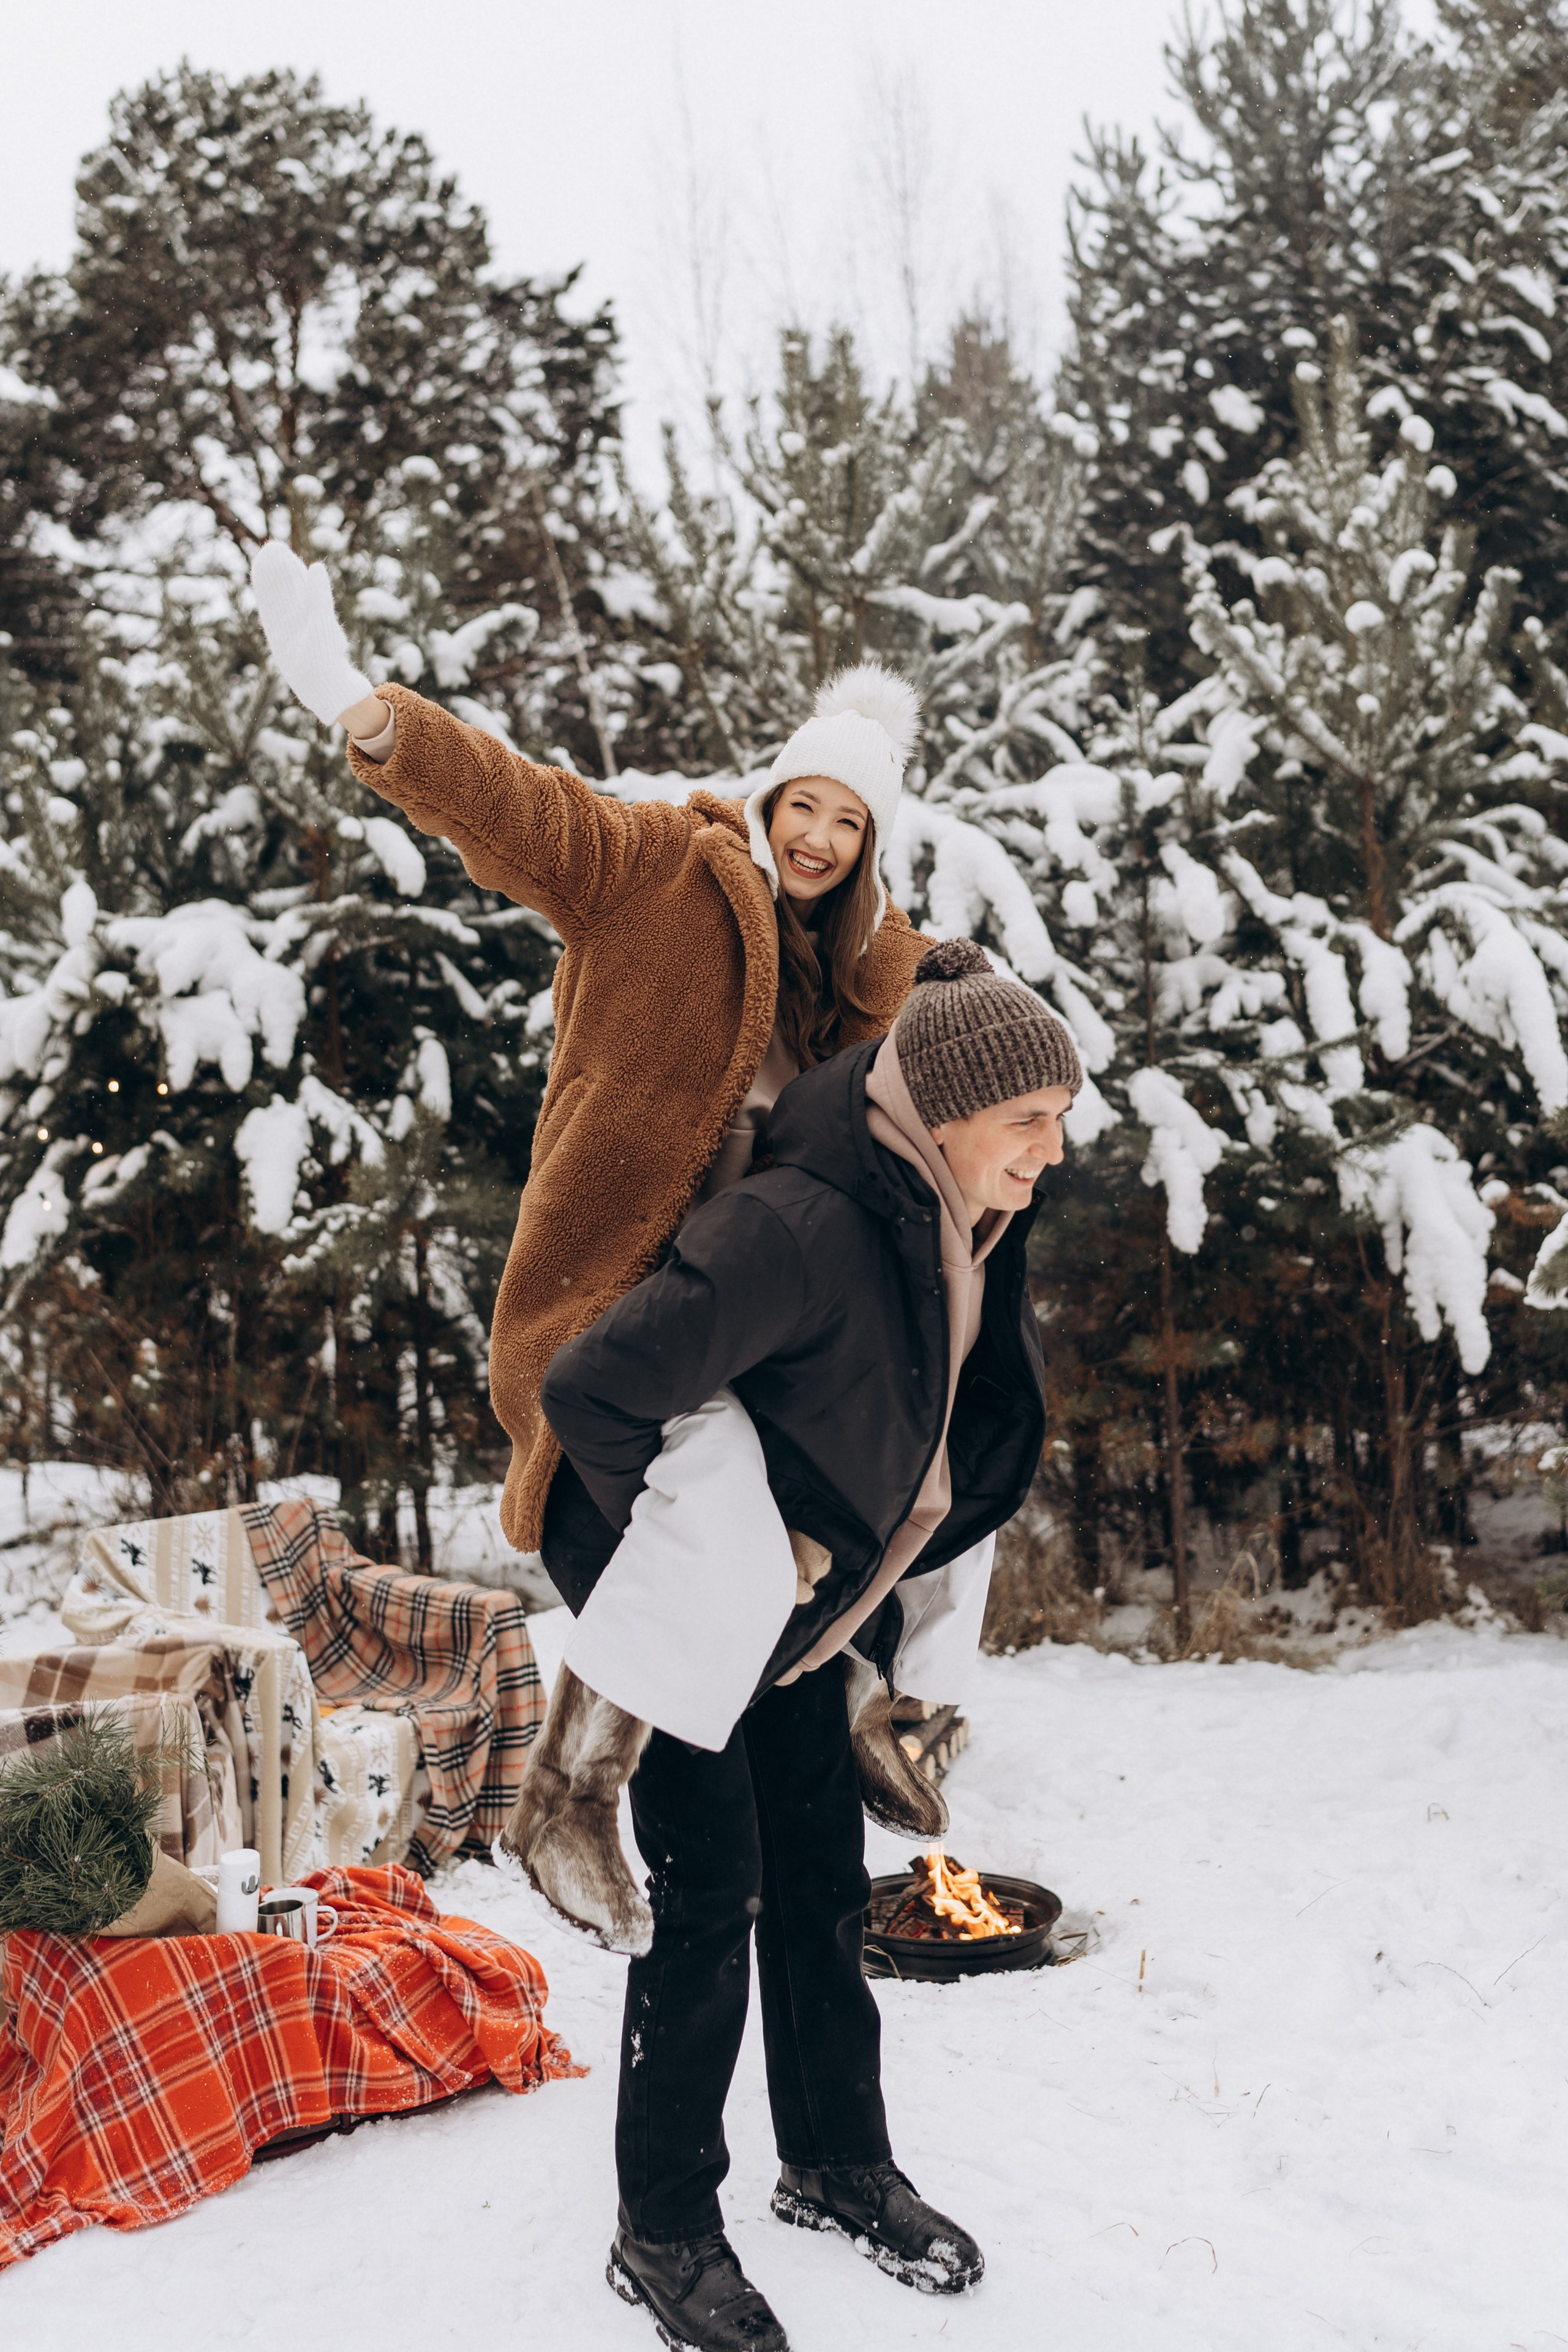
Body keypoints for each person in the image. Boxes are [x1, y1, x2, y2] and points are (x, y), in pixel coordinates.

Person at [246, 542, 941, 1836]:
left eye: (848, 825)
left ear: (869, 849)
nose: (816, 838)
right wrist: (360, 704)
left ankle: (863, 1692)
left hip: (769, 1346)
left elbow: (966, 1049)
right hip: (619, 1330)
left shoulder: (872, 975)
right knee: (725, 1550)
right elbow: (516, 805)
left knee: (905, 1462)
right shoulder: (657, 870)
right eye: (805, 805)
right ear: (769, 792)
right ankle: (584, 1784)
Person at [535, 940, 1081, 2350]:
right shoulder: (796, 1226)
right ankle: (660, 2229)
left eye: (1061, 1121)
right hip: (689, 1612)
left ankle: (833, 2161)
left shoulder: (946, 1226)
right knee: (708, 1902)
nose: (1050, 1153)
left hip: (796, 1613)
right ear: (942, 1115)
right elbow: (586, 1389)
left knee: (822, 1882)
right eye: (1028, 1122)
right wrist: (692, 1564)